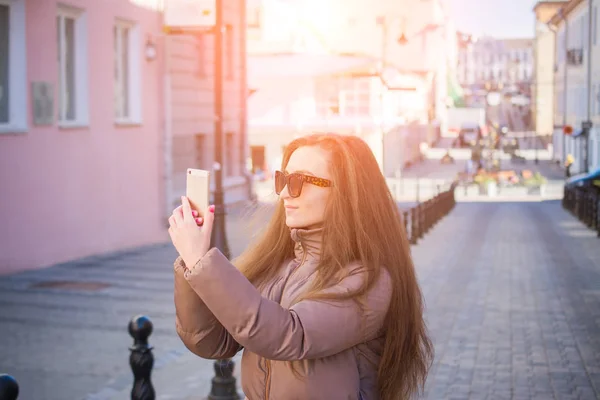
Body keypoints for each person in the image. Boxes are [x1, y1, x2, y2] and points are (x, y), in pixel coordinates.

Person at [168, 133, 433, 400]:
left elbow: (289, 335)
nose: (283, 193)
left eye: (299, 181)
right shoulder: (278, 265)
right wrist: (193, 262)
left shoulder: (368, 279)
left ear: (346, 192)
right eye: (282, 179)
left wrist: (205, 264)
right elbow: (210, 341)